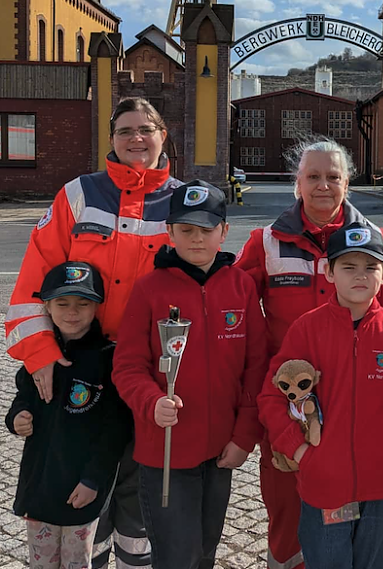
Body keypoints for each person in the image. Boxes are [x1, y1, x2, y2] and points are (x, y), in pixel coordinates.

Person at [5, 97, 181, 568]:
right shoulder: (77, 195)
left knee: (140, 491)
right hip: (83, 368)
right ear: (111, 139)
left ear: (164, 135)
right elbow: (32, 282)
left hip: (151, 373)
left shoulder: (183, 199)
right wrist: (40, 352)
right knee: (84, 486)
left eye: (146, 129)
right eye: (124, 130)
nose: (136, 139)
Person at [235, 138, 383, 569]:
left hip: (358, 409)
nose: (323, 186)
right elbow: (234, 309)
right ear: (297, 182)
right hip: (287, 404)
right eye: (313, 176)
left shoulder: (375, 241)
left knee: (346, 511)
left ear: (347, 183)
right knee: (285, 512)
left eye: (333, 177)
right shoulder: (266, 241)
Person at [113, 180, 268, 569]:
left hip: (221, 451)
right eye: (185, 230)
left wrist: (244, 436)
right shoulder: (149, 289)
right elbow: (127, 365)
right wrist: (151, 402)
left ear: (224, 232)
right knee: (176, 556)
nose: (196, 239)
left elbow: (256, 365)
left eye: (206, 230)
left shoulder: (242, 287)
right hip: (166, 450)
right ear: (169, 232)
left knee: (203, 553)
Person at [257, 221, 383, 569]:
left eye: (371, 267)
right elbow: (271, 397)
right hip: (324, 488)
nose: (360, 276)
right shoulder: (307, 329)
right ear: (328, 272)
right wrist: (299, 450)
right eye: (348, 267)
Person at [6, 261, 132, 569]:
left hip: (81, 488)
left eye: (82, 303)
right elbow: (23, 398)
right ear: (47, 306)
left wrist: (93, 480)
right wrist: (17, 418)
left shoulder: (108, 359)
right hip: (40, 486)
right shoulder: (39, 359)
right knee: (42, 562)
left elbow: (115, 430)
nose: (72, 312)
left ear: (97, 306)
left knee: (78, 563)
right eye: (62, 303)